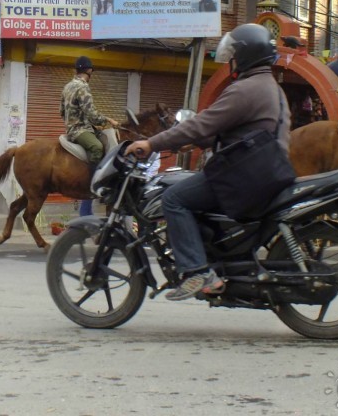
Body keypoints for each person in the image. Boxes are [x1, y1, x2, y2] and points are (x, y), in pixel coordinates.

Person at [125, 23, 290, 301]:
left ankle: (197, 271)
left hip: (245, 177)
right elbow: (237, 133)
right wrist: (202, 141)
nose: (232, 61)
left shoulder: (246, 89)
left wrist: (151, 143)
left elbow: (201, 124)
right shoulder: (271, 87)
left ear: (247, 56)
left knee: (174, 198)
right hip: (264, 172)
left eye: (235, 55)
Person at [60, 56, 119, 202]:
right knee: (97, 147)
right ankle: (94, 186)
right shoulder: (83, 86)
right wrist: (107, 120)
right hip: (79, 130)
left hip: (74, 127)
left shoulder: (67, 86)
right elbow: (91, 113)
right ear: (89, 70)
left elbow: (61, 111)